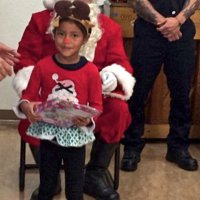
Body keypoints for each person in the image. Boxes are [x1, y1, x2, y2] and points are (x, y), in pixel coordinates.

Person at [12, 0, 135, 200]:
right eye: (61, 34)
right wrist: (30, 94)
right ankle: (49, 181)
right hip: (49, 96)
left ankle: (94, 174)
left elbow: (120, 62)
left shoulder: (109, 27)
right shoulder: (40, 21)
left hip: (93, 97)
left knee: (119, 109)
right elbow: (24, 58)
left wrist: (111, 76)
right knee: (32, 111)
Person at [121, 0, 200, 172]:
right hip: (149, 32)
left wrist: (177, 20)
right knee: (138, 93)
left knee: (181, 95)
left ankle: (178, 148)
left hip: (182, 32)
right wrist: (163, 23)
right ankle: (132, 147)